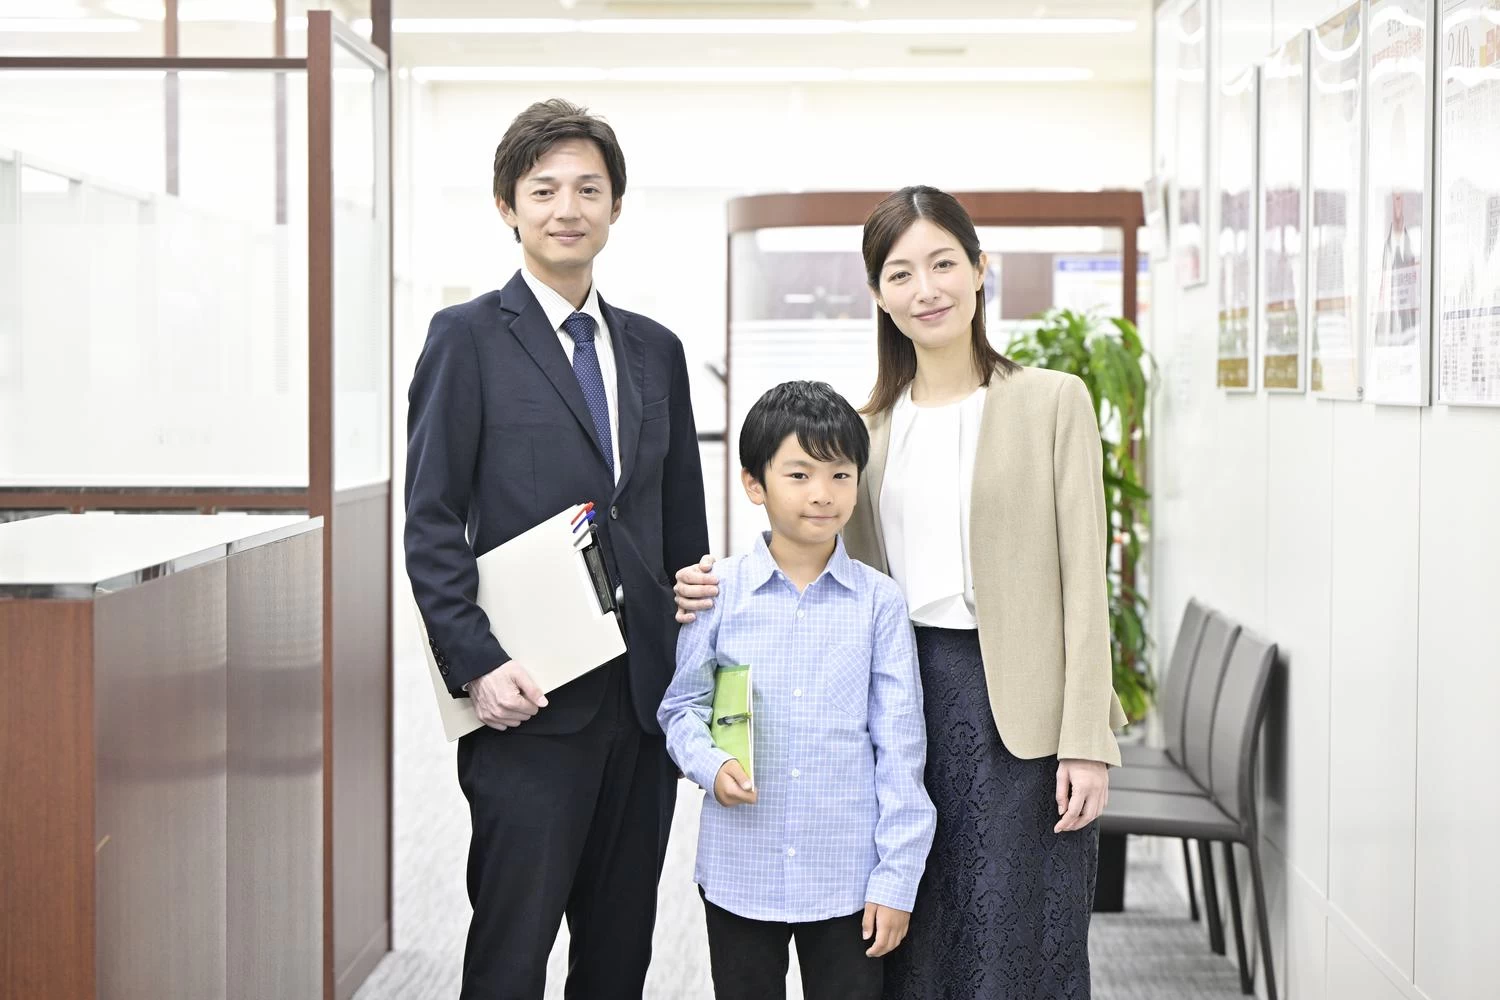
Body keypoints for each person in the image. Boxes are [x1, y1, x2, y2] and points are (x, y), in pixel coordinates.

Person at [674, 186, 1126, 999]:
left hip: (1021, 714)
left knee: (1016, 939)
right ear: (879, 293)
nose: (928, 289)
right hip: (897, 702)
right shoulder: (864, 430)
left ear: (982, 270)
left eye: (944, 264)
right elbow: (809, 553)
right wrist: (713, 585)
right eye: (902, 273)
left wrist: (1086, 738)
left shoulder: (1051, 402)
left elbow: (1084, 583)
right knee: (907, 941)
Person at [404, 98, 709, 1000]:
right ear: (509, 206)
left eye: (588, 188)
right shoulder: (466, 339)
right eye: (544, 190)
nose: (566, 207)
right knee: (512, 948)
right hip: (526, 699)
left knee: (619, 953)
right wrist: (476, 664)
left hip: (640, 704)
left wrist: (692, 622)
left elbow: (676, 524)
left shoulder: (657, 351)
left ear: (616, 206)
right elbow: (431, 522)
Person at [659, 381, 935, 1000]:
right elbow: (681, 709)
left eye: (840, 475)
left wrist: (896, 880)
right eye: (800, 474)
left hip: (847, 877)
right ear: (754, 484)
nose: (822, 494)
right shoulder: (716, 593)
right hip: (740, 873)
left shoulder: (879, 604)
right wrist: (711, 763)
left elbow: (901, 751)